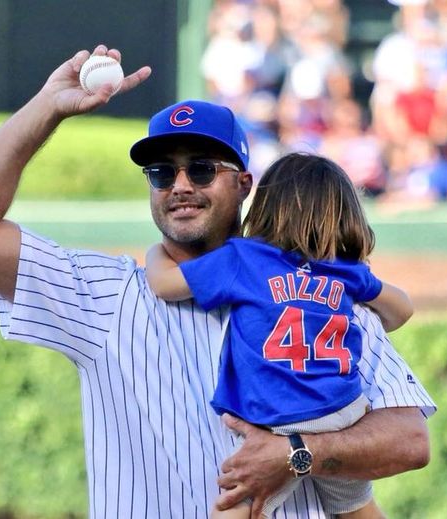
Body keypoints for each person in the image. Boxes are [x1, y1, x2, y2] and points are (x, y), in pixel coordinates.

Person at [0, 45, 436, 518]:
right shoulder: (109, 299)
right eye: (160, 173)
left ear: (244, 183)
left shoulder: (324, 297)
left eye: (201, 169)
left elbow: (410, 440)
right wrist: (47, 107)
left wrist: (296, 454)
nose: (179, 186)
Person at [145, 152, 413, 518]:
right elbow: (402, 310)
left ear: (267, 205)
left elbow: (163, 284)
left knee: (236, 505)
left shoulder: (244, 258)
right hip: (343, 412)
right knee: (357, 507)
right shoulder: (343, 271)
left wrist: (156, 252)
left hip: (278, 415)